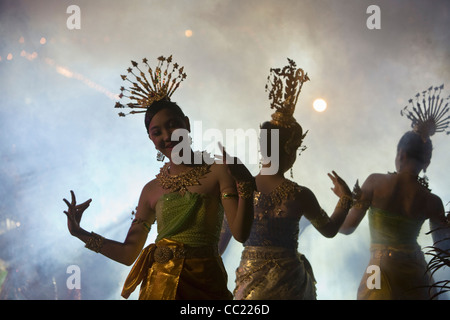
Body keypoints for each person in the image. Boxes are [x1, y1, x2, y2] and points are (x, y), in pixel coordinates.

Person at [63, 55, 255, 300]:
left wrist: (246, 185)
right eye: (157, 132)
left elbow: (240, 234)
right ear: (151, 140)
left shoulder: (218, 170)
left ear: (186, 124)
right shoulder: (151, 190)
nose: (167, 136)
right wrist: (80, 233)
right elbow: (129, 254)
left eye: (173, 125)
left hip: (206, 286)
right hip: (159, 288)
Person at [220, 59, 353, 300]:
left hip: (249, 287)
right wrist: (345, 200)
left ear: (263, 148)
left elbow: (218, 245)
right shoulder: (300, 195)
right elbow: (331, 230)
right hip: (291, 285)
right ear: (291, 150)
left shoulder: (240, 189)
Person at [339, 85, 450, 300]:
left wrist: (345, 200)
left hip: (377, 272)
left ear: (400, 154)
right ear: (427, 162)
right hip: (418, 276)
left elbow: (345, 228)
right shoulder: (432, 201)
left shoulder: (375, 182)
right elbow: (444, 251)